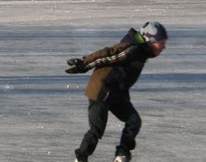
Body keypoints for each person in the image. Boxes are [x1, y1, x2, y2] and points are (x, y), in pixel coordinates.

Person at [65, 21, 168, 162]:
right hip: (101, 90)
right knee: (97, 129)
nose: (163, 46)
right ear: (149, 40)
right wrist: (83, 64)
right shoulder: (132, 49)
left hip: (116, 92)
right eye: (160, 42)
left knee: (134, 121)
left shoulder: (142, 52)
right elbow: (106, 55)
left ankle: (122, 154)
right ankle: (81, 158)